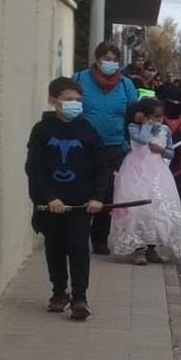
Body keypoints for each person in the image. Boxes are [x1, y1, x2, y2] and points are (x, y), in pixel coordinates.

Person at [26, 77, 106, 320]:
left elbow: (102, 166)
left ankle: (80, 297)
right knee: (56, 248)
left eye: (78, 100)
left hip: (81, 204)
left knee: (79, 249)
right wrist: (49, 197)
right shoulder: (42, 130)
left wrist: (97, 197)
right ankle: (59, 292)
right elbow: (34, 168)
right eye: (68, 100)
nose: (74, 104)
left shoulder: (87, 130)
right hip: (52, 205)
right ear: (54, 101)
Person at [76, 40, 140, 256]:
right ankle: (78, 236)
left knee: (108, 193)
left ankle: (100, 239)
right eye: (107, 59)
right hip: (84, 145)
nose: (111, 64)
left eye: (115, 60)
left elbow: (134, 115)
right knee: (82, 189)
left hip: (114, 146)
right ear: (97, 59)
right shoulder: (80, 79)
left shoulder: (125, 85)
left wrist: (127, 142)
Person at [109, 99, 181, 264]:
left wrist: (162, 150)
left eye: (160, 116)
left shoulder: (165, 130)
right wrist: (146, 124)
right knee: (137, 209)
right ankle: (139, 248)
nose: (158, 120)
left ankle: (152, 247)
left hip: (158, 173)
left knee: (157, 209)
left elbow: (171, 153)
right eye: (154, 116)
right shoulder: (133, 128)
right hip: (136, 172)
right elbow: (142, 140)